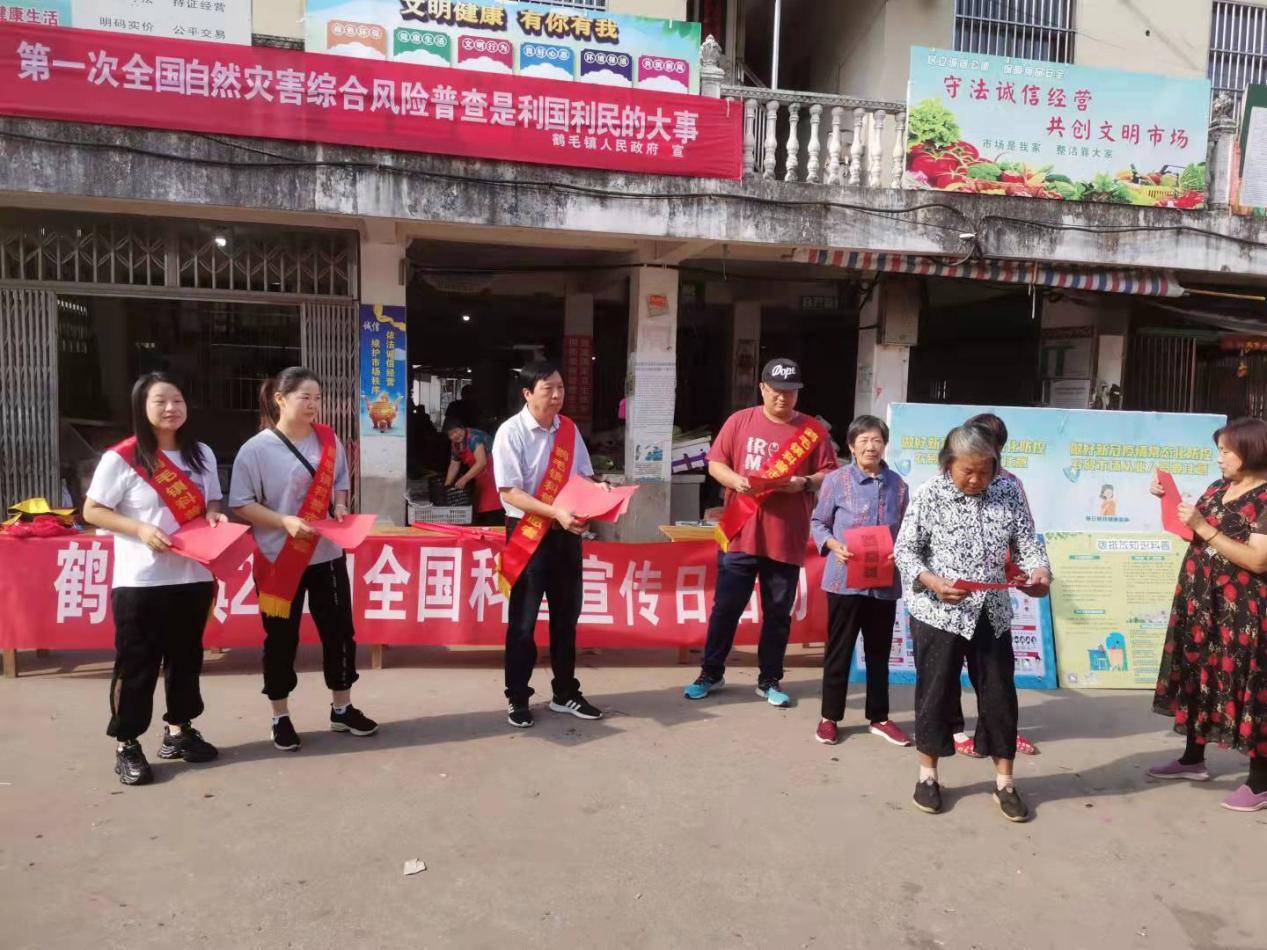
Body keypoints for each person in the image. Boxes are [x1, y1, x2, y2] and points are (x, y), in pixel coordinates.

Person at [894, 426, 1051, 821]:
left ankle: (1005, 783)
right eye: (968, 471)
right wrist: (933, 582)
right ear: (948, 464)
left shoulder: (1008, 491)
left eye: (985, 471)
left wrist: (1040, 573)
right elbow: (906, 551)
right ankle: (928, 777)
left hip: (991, 614)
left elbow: (1027, 545)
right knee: (935, 694)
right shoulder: (930, 493)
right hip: (938, 612)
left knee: (999, 695)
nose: (977, 480)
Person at [83, 373, 225, 786]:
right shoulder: (123, 458)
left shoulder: (201, 453)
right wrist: (140, 529)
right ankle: (126, 743)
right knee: (137, 665)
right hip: (141, 581)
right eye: (160, 401)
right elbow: (92, 510)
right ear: (141, 408)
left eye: (177, 400)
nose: (171, 408)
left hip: (193, 575)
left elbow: (213, 499)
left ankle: (179, 729)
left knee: (186, 658)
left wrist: (214, 513)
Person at [230, 367, 378, 752]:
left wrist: (341, 506)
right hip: (279, 557)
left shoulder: (328, 440)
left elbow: (340, 482)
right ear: (280, 399)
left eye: (317, 398)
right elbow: (241, 503)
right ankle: (280, 715)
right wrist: (283, 521)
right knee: (281, 639)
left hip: (326, 553)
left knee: (340, 632)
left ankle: (342, 708)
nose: (313, 405)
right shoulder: (255, 450)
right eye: (304, 397)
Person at [684, 358, 836, 707]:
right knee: (726, 608)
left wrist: (804, 482)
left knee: (778, 613)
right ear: (763, 388)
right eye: (776, 390)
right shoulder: (740, 421)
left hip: (786, 537)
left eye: (790, 392)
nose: (783, 397)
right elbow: (716, 463)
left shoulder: (812, 431)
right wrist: (737, 481)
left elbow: (829, 473)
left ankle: (770, 679)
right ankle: (711, 672)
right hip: (741, 532)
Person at [1148, 417, 1267, 813]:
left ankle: (1260, 782)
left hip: (1243, 611)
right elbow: (1192, 533)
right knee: (1198, 673)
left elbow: (1258, 560)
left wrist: (1204, 526)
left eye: (1226, 451)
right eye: (1219, 450)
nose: (1219, 458)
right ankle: (1192, 759)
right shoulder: (1219, 487)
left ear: (1251, 452)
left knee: (1248, 685)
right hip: (1201, 601)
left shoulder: (1265, 498)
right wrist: (1168, 502)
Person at [492, 360, 608, 728]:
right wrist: (554, 511)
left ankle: (565, 693)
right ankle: (517, 697)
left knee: (566, 618)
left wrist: (599, 490)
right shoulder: (511, 433)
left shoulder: (568, 430)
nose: (557, 395)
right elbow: (510, 491)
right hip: (528, 533)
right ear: (528, 393)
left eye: (560, 388)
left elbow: (583, 476)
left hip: (565, 535)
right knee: (523, 623)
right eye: (548, 389)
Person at [810, 415, 910, 746]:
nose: (871, 446)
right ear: (851, 447)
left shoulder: (898, 486)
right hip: (844, 582)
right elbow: (818, 522)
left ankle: (879, 718)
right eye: (864, 440)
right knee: (839, 651)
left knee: (879, 652)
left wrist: (900, 552)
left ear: (885, 445)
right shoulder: (836, 481)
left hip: (884, 584)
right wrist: (832, 545)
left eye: (877, 440)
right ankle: (829, 718)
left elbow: (906, 531)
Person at [953, 412, 1039, 758]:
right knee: (945, 668)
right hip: (952, 593)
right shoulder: (948, 479)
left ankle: (997, 732)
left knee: (992, 672)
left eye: (991, 445)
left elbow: (1025, 535)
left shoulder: (1010, 485)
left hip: (992, 592)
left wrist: (1028, 570)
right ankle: (954, 730)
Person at [443, 419, 503, 527]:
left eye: (456, 431)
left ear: (462, 428)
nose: (455, 435)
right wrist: (447, 486)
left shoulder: (474, 438)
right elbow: (454, 465)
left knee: (493, 508)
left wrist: (464, 479)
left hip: (493, 474)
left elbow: (481, 462)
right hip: (478, 475)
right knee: (479, 506)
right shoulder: (455, 444)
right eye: (451, 434)